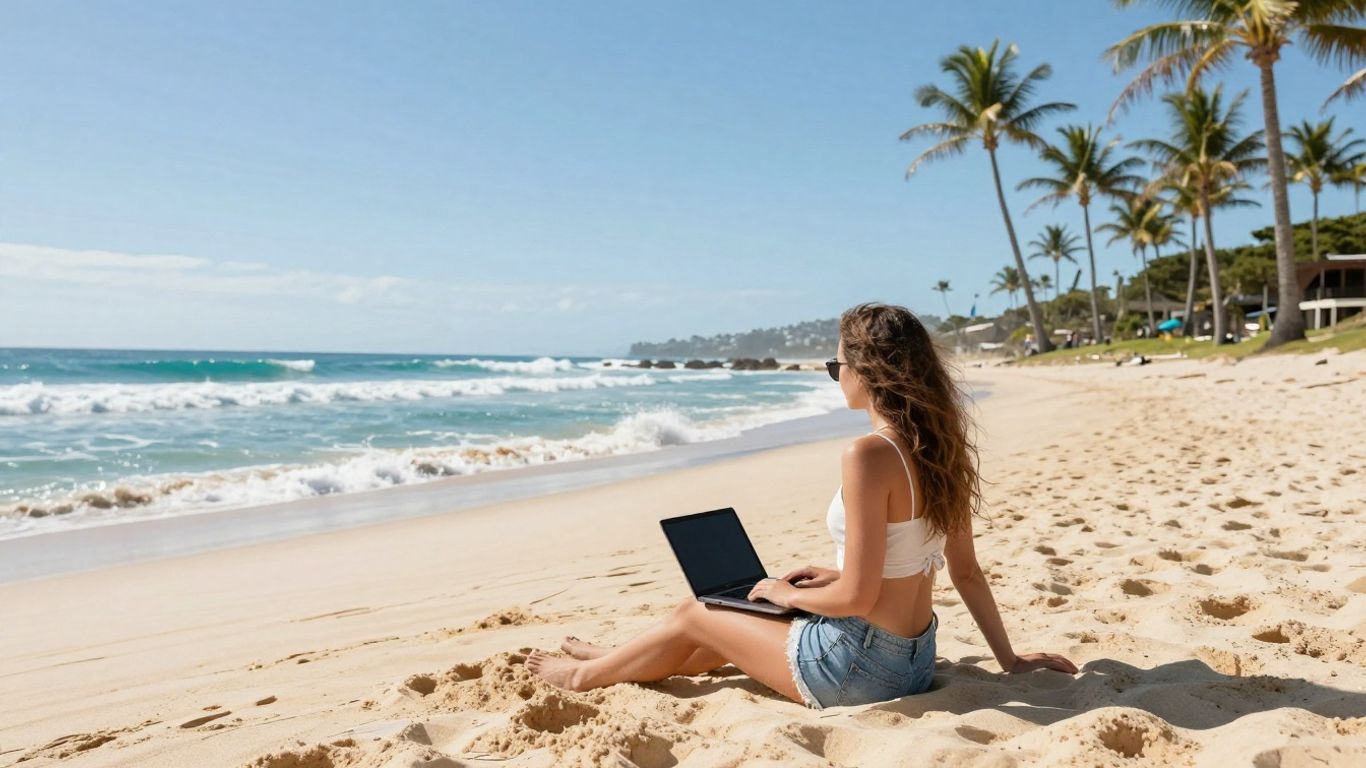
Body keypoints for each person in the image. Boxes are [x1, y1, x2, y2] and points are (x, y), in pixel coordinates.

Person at [526, 302, 1078, 708]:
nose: (837, 378)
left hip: (857, 668)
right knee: (742, 615)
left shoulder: (867, 455)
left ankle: (581, 678)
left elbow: (859, 596)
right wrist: (1009, 659)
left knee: (700, 612)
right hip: (914, 660)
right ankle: (618, 656)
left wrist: (792, 592)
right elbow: (963, 571)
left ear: (865, 370)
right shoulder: (942, 451)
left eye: (836, 366)